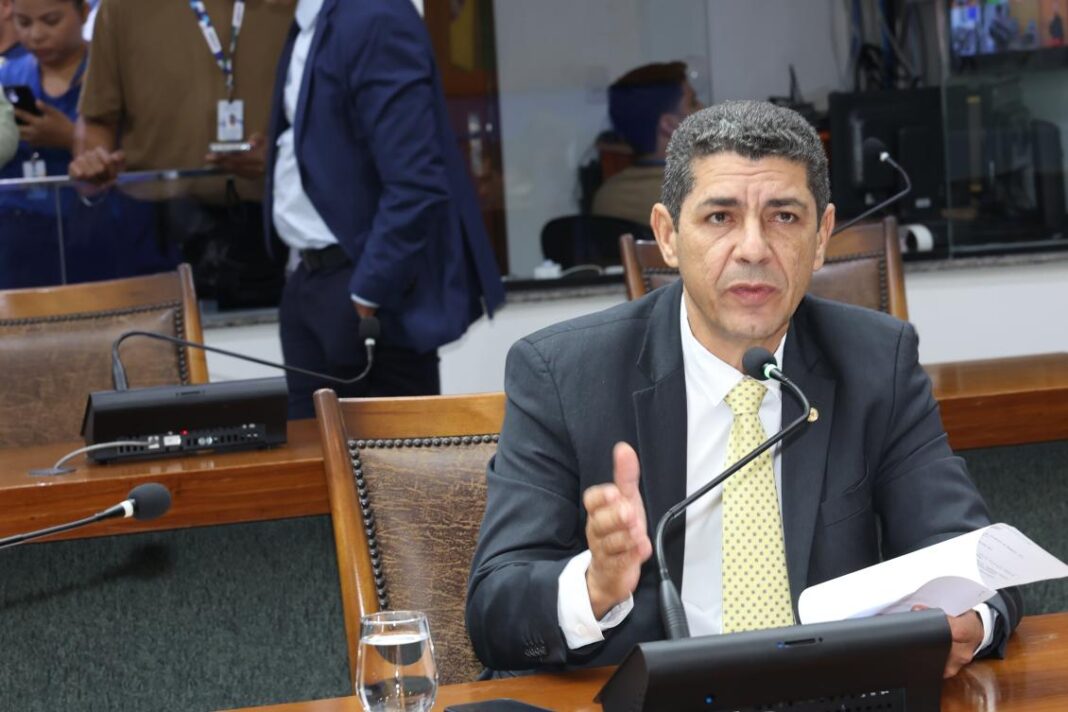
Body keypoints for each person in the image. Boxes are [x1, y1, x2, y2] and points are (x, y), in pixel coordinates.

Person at [466, 101, 1021, 677]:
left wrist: (972, 621)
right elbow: (492, 610)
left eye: (784, 217)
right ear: (668, 235)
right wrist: (594, 586)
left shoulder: (878, 362)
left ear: (822, 235)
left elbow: (975, 555)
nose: (754, 248)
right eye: (719, 217)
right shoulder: (563, 375)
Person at [230, 0, 505, 418]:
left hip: (364, 287)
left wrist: (368, 292)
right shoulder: (310, 23)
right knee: (310, 453)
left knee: (388, 458)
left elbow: (416, 181)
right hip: (308, 280)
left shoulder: (376, 17)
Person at [68, 0, 292, 308]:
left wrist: (282, 154)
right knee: (159, 334)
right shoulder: (122, 8)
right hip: (159, 226)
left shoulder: (298, 7)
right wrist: (94, 161)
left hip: (272, 219)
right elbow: (97, 116)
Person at [0, 0, 170, 288]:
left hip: (110, 241)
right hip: (22, 248)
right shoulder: (7, 78)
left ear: (84, 12)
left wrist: (69, 137)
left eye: (51, 21)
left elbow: (150, 148)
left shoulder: (118, 75)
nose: (36, 35)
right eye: (24, 23)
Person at [591, 62, 701, 226]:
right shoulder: (702, 192)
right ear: (669, 125)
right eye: (693, 103)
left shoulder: (606, 197)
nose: (703, 108)